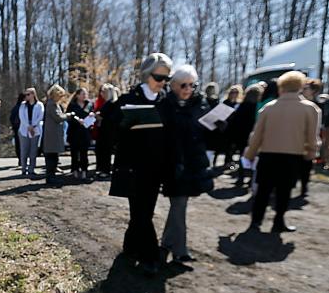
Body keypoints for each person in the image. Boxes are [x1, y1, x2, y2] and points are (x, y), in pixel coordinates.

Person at [110, 52, 173, 276]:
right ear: (146, 75)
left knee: (143, 212)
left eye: (167, 78)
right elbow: (111, 130)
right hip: (133, 168)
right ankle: (150, 256)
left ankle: (130, 245)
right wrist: (124, 125)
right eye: (159, 77)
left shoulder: (167, 103)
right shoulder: (128, 100)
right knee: (141, 212)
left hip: (156, 170)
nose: (163, 83)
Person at [244, 71, 320, 233]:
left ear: (281, 87)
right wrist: (311, 153)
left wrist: (250, 154)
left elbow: (257, 135)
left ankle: (256, 221)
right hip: (293, 157)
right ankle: (279, 221)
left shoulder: (268, 108)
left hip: (268, 156)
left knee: (263, 189)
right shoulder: (310, 109)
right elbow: (312, 136)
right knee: (284, 190)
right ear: (300, 87)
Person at [160, 65, 216, 264]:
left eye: (192, 85)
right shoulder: (165, 104)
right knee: (179, 206)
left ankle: (166, 244)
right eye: (184, 84)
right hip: (173, 164)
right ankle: (180, 251)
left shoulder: (200, 104)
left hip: (193, 164)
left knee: (178, 207)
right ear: (174, 85)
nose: (188, 88)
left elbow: (208, 133)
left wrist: (219, 126)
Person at [226, 83, 264, 186]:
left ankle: (241, 177)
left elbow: (235, 122)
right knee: (253, 158)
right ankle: (251, 178)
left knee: (243, 157)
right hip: (253, 135)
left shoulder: (241, 106)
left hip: (241, 136)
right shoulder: (258, 107)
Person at [43, 85, 74, 186]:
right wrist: (68, 115)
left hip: (54, 135)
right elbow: (58, 117)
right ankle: (50, 178)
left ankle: (52, 176)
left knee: (54, 157)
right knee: (51, 157)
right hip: (52, 136)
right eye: (60, 95)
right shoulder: (51, 104)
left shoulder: (53, 104)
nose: (61, 97)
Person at [297, 78, 323, 196]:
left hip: (309, 139)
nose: (303, 90)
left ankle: (304, 186)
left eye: (306, 88)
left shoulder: (317, 106)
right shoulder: (296, 103)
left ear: (313, 90)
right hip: (296, 138)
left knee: (306, 165)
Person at [65, 87, 94, 181]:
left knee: (84, 153)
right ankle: (75, 170)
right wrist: (77, 120)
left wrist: (92, 115)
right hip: (74, 132)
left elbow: (93, 114)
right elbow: (68, 117)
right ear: (77, 95)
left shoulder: (89, 104)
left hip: (85, 132)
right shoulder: (72, 105)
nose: (84, 96)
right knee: (74, 152)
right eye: (82, 94)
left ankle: (84, 171)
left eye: (86, 94)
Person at [94, 83, 119, 179]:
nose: (102, 94)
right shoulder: (107, 103)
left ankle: (106, 170)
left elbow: (109, 117)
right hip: (104, 131)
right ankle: (101, 169)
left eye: (104, 92)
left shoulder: (112, 103)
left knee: (106, 152)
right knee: (101, 150)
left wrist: (99, 116)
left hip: (109, 132)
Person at [18, 87, 44, 177]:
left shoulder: (39, 105)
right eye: (26, 95)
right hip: (24, 130)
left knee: (33, 151)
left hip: (35, 130)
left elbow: (40, 116)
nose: (27, 96)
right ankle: (23, 169)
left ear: (33, 95)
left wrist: (33, 126)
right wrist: (28, 126)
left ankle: (31, 169)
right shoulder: (23, 105)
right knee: (24, 150)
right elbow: (21, 117)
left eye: (28, 94)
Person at [9, 92, 25, 167]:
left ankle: (20, 160)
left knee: (18, 144)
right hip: (21, 127)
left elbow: (11, 118)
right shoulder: (22, 107)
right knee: (22, 144)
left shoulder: (15, 107)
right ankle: (22, 160)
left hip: (16, 127)